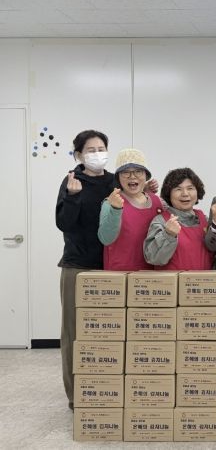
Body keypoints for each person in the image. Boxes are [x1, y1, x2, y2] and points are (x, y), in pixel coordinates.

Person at [55, 130, 113, 410]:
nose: (97, 154)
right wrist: (73, 197)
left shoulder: (115, 181)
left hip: (112, 268)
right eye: (90, 150)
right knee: (74, 334)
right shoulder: (72, 181)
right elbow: (64, 224)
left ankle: (108, 391)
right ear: (78, 155)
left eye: (101, 148)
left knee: (110, 334)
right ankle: (76, 396)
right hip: (77, 266)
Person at [98, 148, 161, 271]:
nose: (132, 176)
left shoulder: (158, 202)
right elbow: (106, 239)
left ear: (146, 175)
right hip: (119, 275)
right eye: (125, 172)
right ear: (118, 178)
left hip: (151, 275)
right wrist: (115, 209)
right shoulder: (110, 202)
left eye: (138, 171)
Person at [144, 167, 212, 270]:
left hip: (205, 280)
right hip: (172, 280)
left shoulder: (205, 219)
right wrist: (168, 234)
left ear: (197, 191)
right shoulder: (160, 221)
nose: (185, 194)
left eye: (190, 188)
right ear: (169, 194)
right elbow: (153, 258)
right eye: (178, 189)